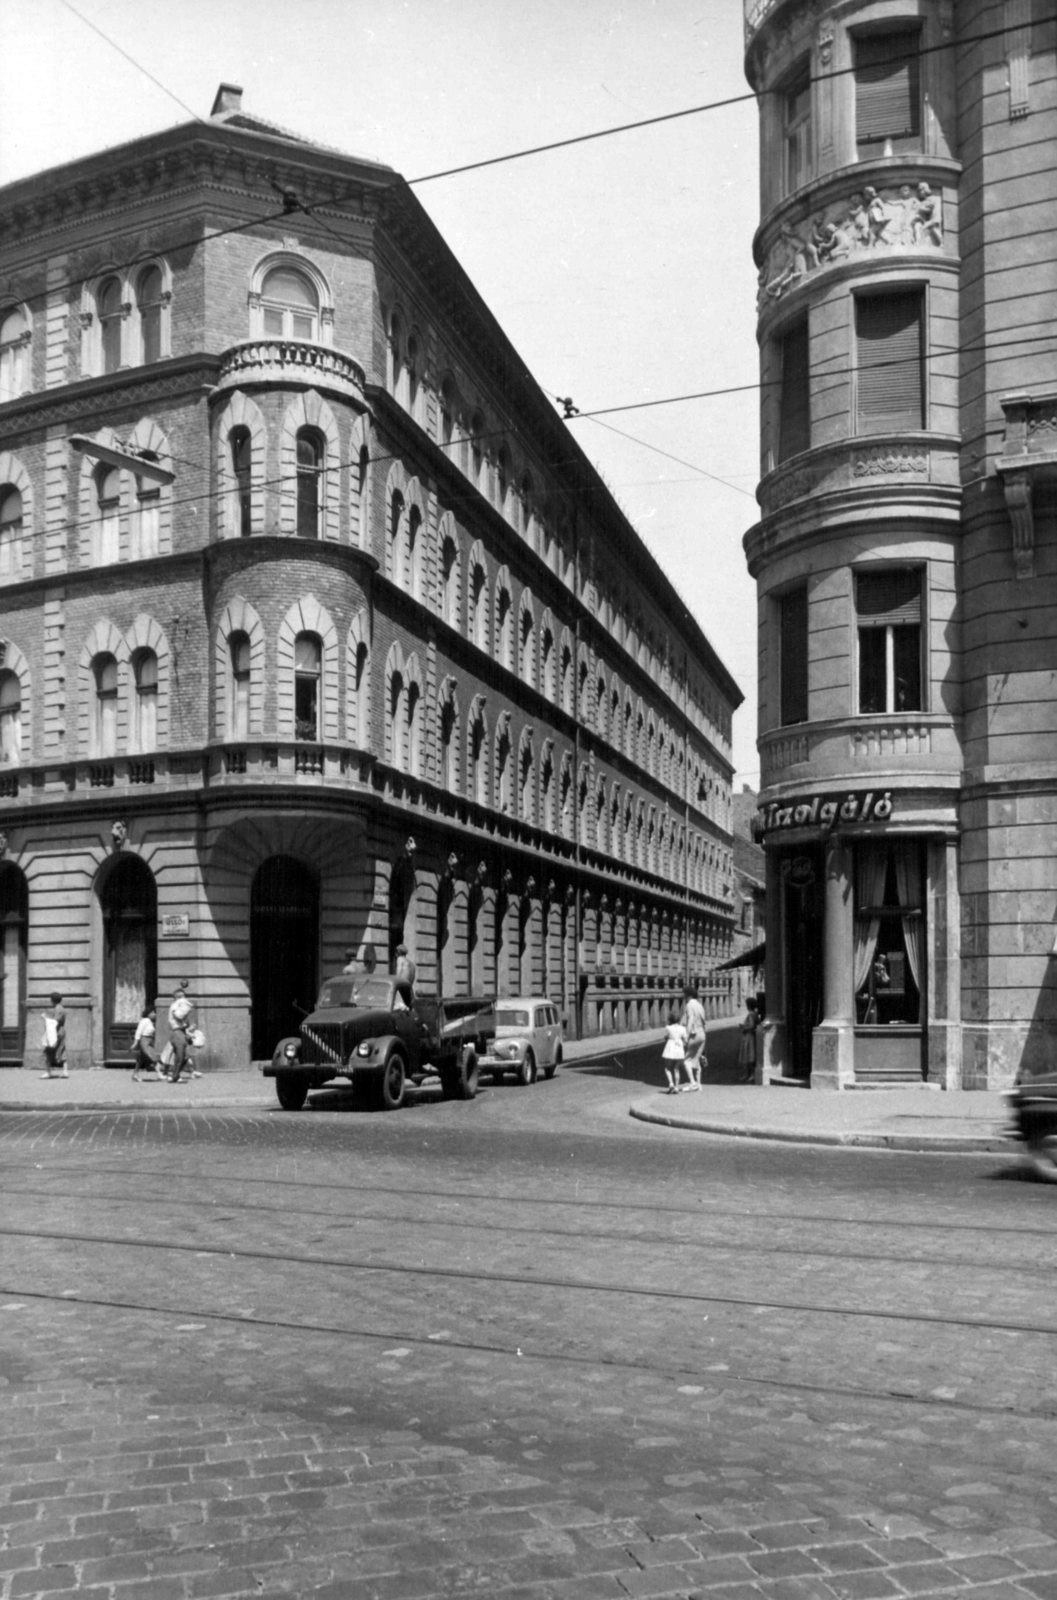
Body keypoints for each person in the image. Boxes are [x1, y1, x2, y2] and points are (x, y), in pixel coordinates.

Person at [166, 981, 200, 1082]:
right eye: (182, 995)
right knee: (180, 1055)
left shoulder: (177, 1005)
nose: (184, 997)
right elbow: (179, 1015)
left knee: (182, 1056)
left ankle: (174, 1075)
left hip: (180, 1032)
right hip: (177, 1033)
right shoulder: (176, 1005)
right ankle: (174, 1075)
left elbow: (182, 1019)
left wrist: (188, 1029)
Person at [680, 984, 706, 1091]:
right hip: (702, 1034)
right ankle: (699, 1084)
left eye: (685, 995)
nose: (684, 997)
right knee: (697, 1059)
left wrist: (686, 1035)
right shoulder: (700, 1005)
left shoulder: (689, 1005)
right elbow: (704, 1022)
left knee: (686, 1060)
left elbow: (690, 1020)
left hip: (694, 1034)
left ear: (689, 995)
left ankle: (692, 1083)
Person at [131, 1005, 164, 1082]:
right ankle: (160, 1074)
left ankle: (135, 1074)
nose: (154, 1014)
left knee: (140, 1059)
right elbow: (139, 1031)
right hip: (145, 1041)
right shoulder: (145, 1021)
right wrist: (135, 1042)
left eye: (154, 1012)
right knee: (153, 1056)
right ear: (148, 1014)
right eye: (152, 1013)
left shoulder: (150, 1022)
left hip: (149, 1040)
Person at [40, 992, 67, 1079]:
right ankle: (65, 1071)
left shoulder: (57, 1009)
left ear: (52, 1000)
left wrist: (44, 1018)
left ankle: (48, 1072)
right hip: (61, 1031)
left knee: (47, 1051)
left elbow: (54, 1022)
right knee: (62, 1050)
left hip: (55, 1032)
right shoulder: (62, 1008)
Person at [661, 1020, 687, 1094]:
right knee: (676, 1069)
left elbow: (665, 1037)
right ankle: (676, 1087)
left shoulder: (668, 1028)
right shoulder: (683, 1028)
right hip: (679, 1047)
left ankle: (671, 1083)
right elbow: (685, 1040)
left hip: (670, 1048)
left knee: (667, 1068)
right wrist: (683, 1044)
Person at [738, 998, 758, 1084]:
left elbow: (752, 1025)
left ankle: (751, 1074)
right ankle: (748, 1074)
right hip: (752, 1036)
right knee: (750, 1055)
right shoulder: (755, 1013)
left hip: (749, 1036)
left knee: (749, 1055)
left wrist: (744, 1027)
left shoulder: (750, 1014)